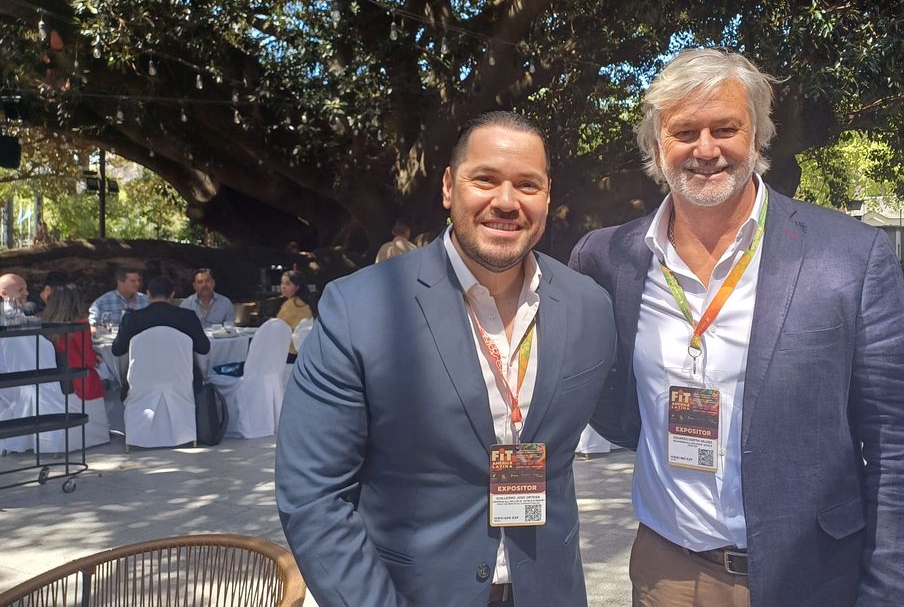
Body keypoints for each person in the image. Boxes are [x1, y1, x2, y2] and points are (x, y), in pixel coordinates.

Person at [570, 49, 904, 606]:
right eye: (684, 132)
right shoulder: (609, 258)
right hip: (666, 573)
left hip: (810, 577)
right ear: (656, 147)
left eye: (725, 128)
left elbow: (901, 444)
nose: (706, 149)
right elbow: (605, 398)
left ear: (758, 136)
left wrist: (897, 595)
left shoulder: (849, 256)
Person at [275, 111, 617, 607]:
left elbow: (621, 417)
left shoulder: (590, 306)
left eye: (527, 184)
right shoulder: (359, 309)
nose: (507, 201)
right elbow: (314, 495)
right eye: (486, 179)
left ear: (547, 196)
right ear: (448, 187)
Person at [110, 276, 210, 393]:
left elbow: (117, 350)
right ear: (172, 294)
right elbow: (204, 348)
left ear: (148, 294)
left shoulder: (131, 319)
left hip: (141, 383)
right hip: (183, 383)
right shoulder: (188, 317)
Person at [40, 283, 105, 400]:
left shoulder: (42, 325)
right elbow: (88, 360)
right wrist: (96, 358)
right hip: (81, 385)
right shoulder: (80, 325)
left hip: (51, 387)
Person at [275, 270, 314, 361]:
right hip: (307, 349)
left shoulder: (291, 304)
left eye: (288, 284)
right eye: (282, 283)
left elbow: (279, 327)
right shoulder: (307, 302)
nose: (283, 287)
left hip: (291, 350)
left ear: (297, 287)